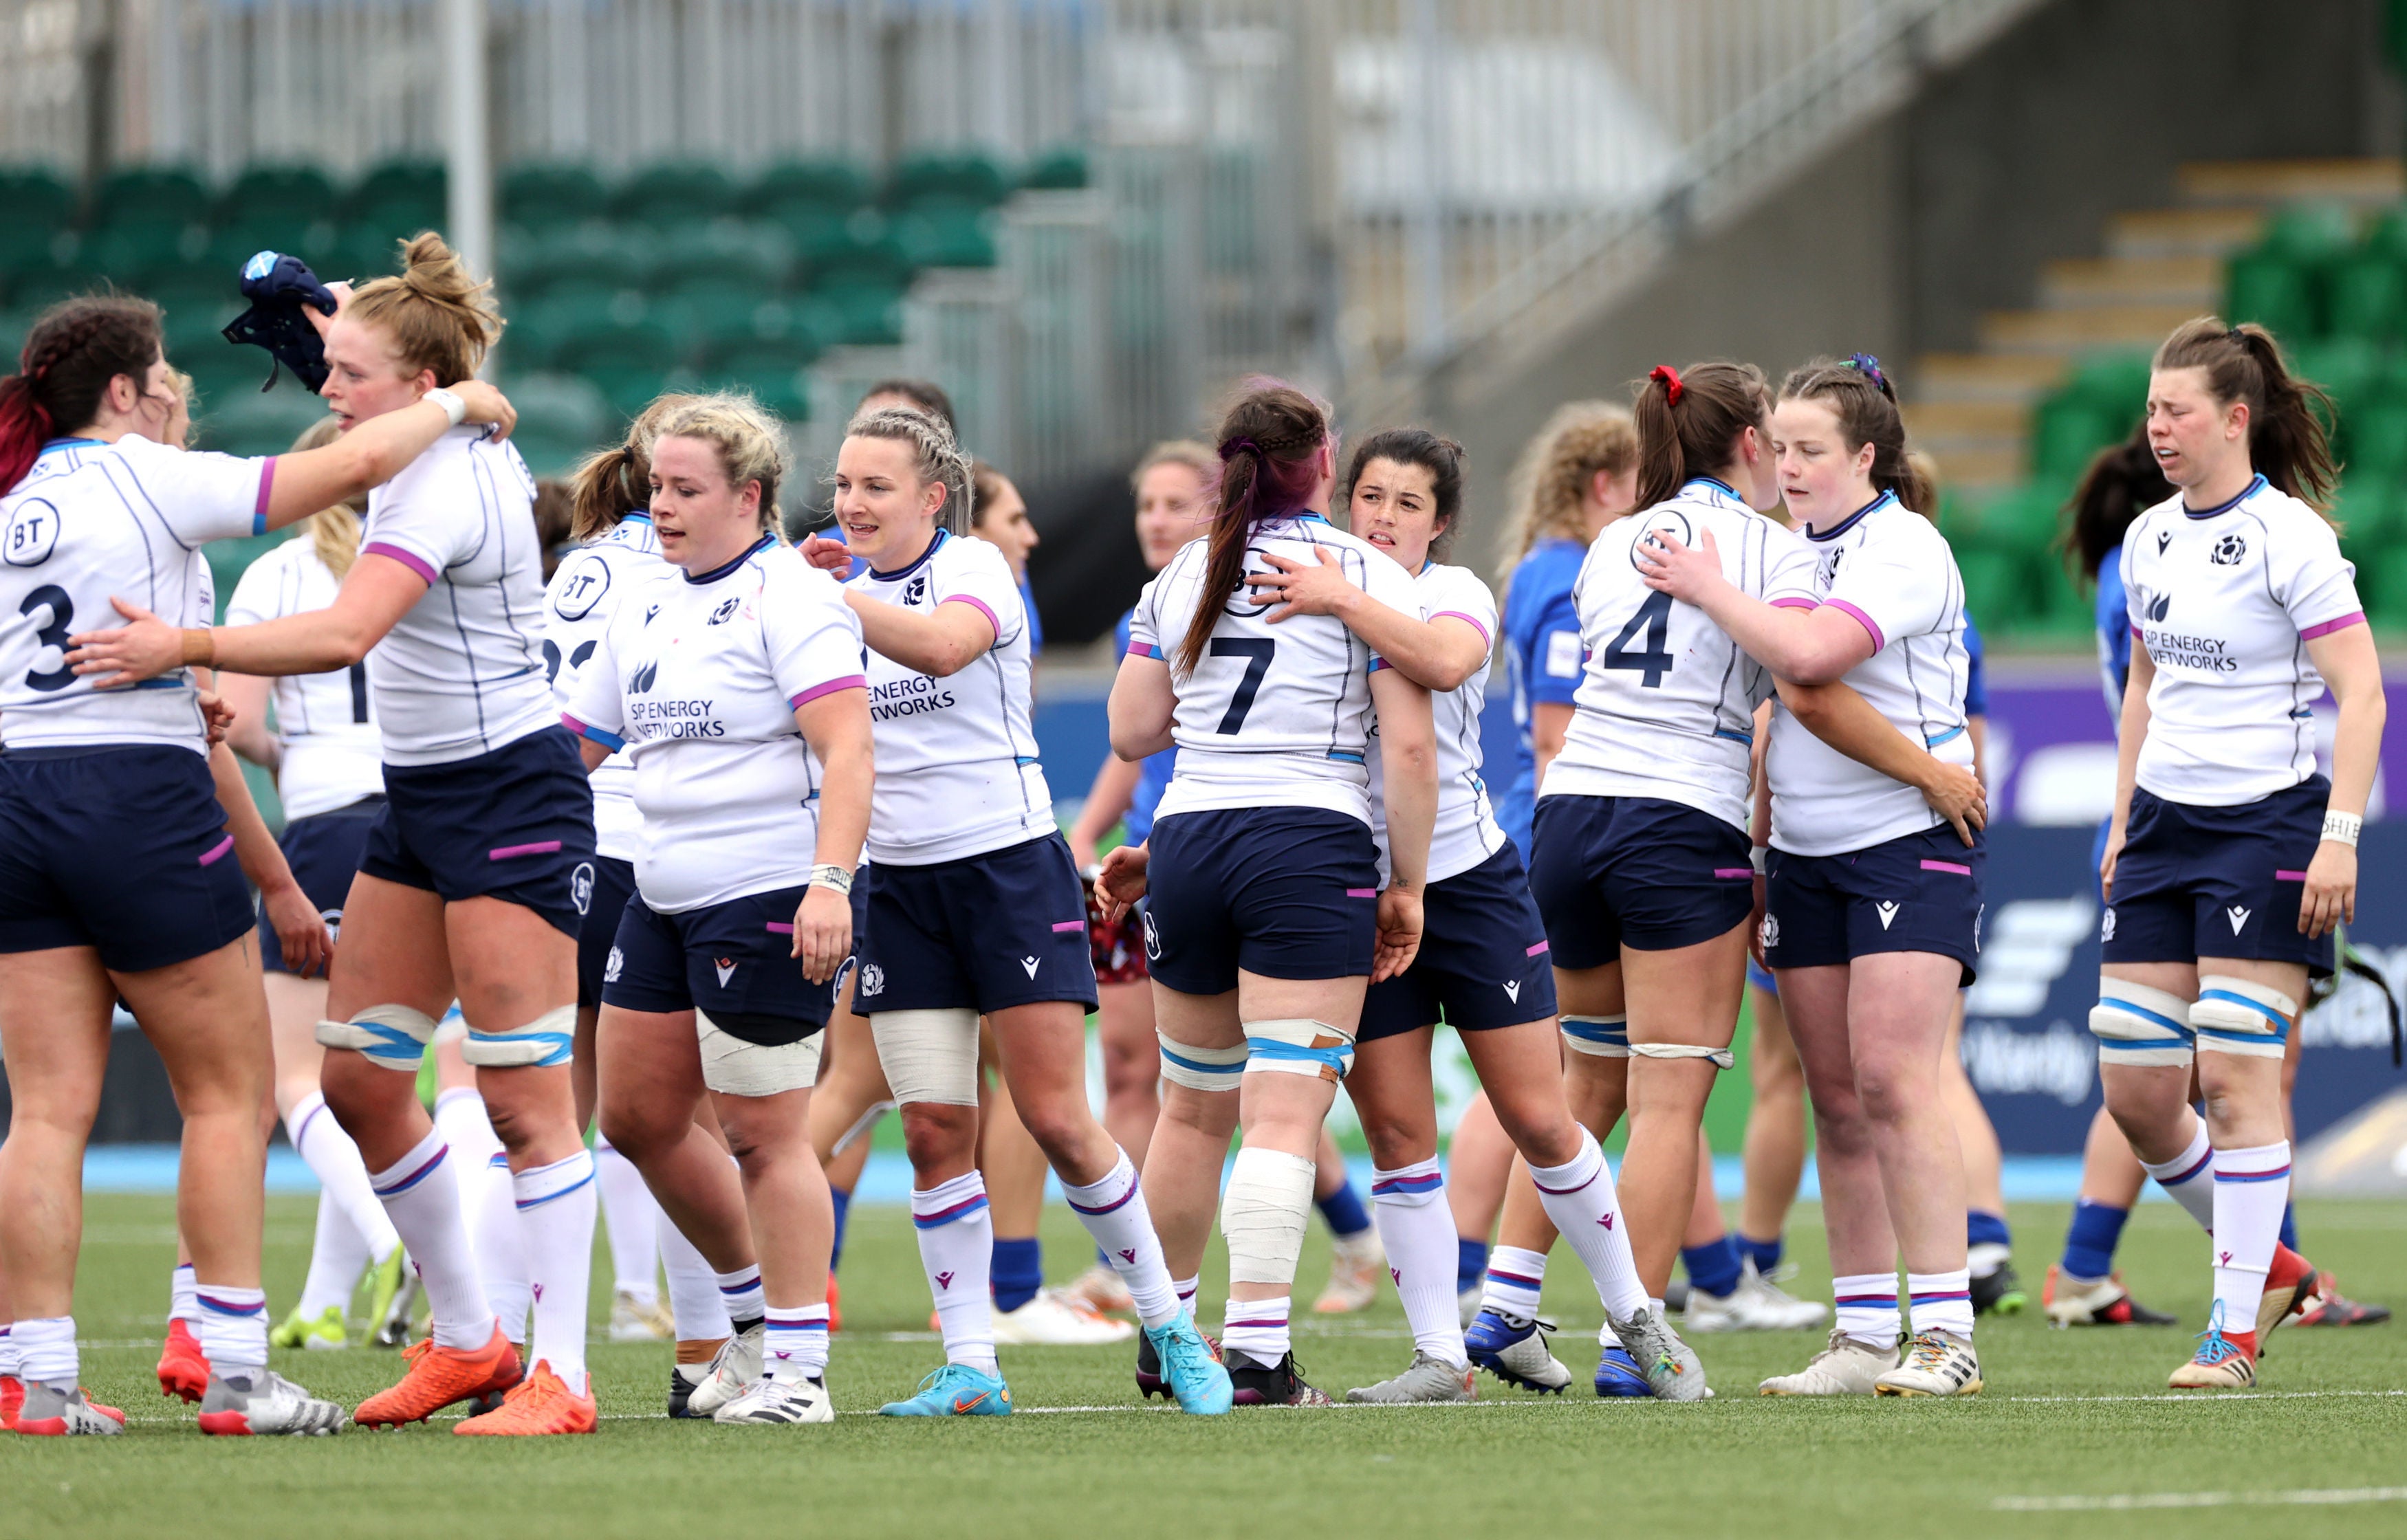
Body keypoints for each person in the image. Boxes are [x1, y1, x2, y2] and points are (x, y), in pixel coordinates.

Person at [69, 234, 602, 1435]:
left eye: (351, 375)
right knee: (361, 1082)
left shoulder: (451, 475)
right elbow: (362, 351)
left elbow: (345, 632)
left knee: (527, 1105)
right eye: (330, 367)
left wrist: (182, 648)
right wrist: (321, 309)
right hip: (421, 801)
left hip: (511, 794)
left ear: (417, 390)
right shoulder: (425, 430)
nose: (329, 392)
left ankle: (559, 1376)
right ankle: (471, 1344)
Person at [1245, 426, 1708, 1402]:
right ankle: (1439, 1359)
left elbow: (1447, 663)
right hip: (1360, 894)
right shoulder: (1302, 595)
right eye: (1370, 497)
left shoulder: (1447, 592)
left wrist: (1337, 594)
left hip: (1468, 880)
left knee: (1543, 1118)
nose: (1384, 517)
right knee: (1401, 1139)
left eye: (1409, 504)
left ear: (1441, 523)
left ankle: (1639, 1324)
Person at [798, 404, 1229, 1417]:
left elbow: (943, 650)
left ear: (934, 497)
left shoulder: (976, 568)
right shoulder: (827, 594)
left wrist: (828, 599)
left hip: (1007, 870)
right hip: (899, 884)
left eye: (877, 487)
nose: (852, 504)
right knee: (938, 1130)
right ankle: (971, 1366)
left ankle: (1171, 1328)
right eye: (844, 486)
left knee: (1056, 1117)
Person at [1637, 353, 1990, 1398]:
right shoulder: (1796, 550)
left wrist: (1705, 583)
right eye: (1778, 447)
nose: (1786, 467)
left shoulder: (1904, 546)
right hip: (1803, 852)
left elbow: (1807, 665)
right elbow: (1778, 714)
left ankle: (1947, 1332)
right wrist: (1756, 845)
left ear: (1868, 456)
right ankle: (1863, 1333)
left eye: (1811, 450)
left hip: (1906, 839)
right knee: (1834, 1098)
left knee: (1892, 1080)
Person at [567, 394, 869, 1425]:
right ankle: (751, 1329)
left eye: (685, 489)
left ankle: (799, 1377)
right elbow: (578, 743)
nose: (662, 505)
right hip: (659, 890)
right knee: (637, 1117)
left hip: (769, 888)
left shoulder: (792, 596)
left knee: (763, 1136)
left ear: (750, 497)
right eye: (656, 486)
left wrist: (829, 884)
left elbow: (848, 751)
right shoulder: (642, 599)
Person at [2090, 319, 2381, 1388]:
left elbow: (2363, 696)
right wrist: (2123, 821)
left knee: (2237, 1077)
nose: (2156, 429)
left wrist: (2338, 838)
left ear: (2236, 418)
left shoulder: (2290, 537)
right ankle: (2281, 1268)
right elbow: (2142, 685)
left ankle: (2233, 1335)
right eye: (2152, 411)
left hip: (2267, 827)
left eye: (2176, 411)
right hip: (2165, 828)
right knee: (2135, 1089)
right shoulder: (2149, 537)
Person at [545, 397, 741, 1403]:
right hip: (651, 845)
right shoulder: (692, 566)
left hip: (564, 833)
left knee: (556, 1112)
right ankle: (717, 1339)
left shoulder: (580, 563)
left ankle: (507, 1336)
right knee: (676, 1116)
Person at [217, 417, 409, 1354]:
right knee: (377, 1066)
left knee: (295, 1073)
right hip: (421, 817)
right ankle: (327, 1304)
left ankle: (392, 1239)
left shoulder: (281, 574)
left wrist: (293, 755)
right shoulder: (417, 554)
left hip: (329, 821)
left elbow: (239, 725)